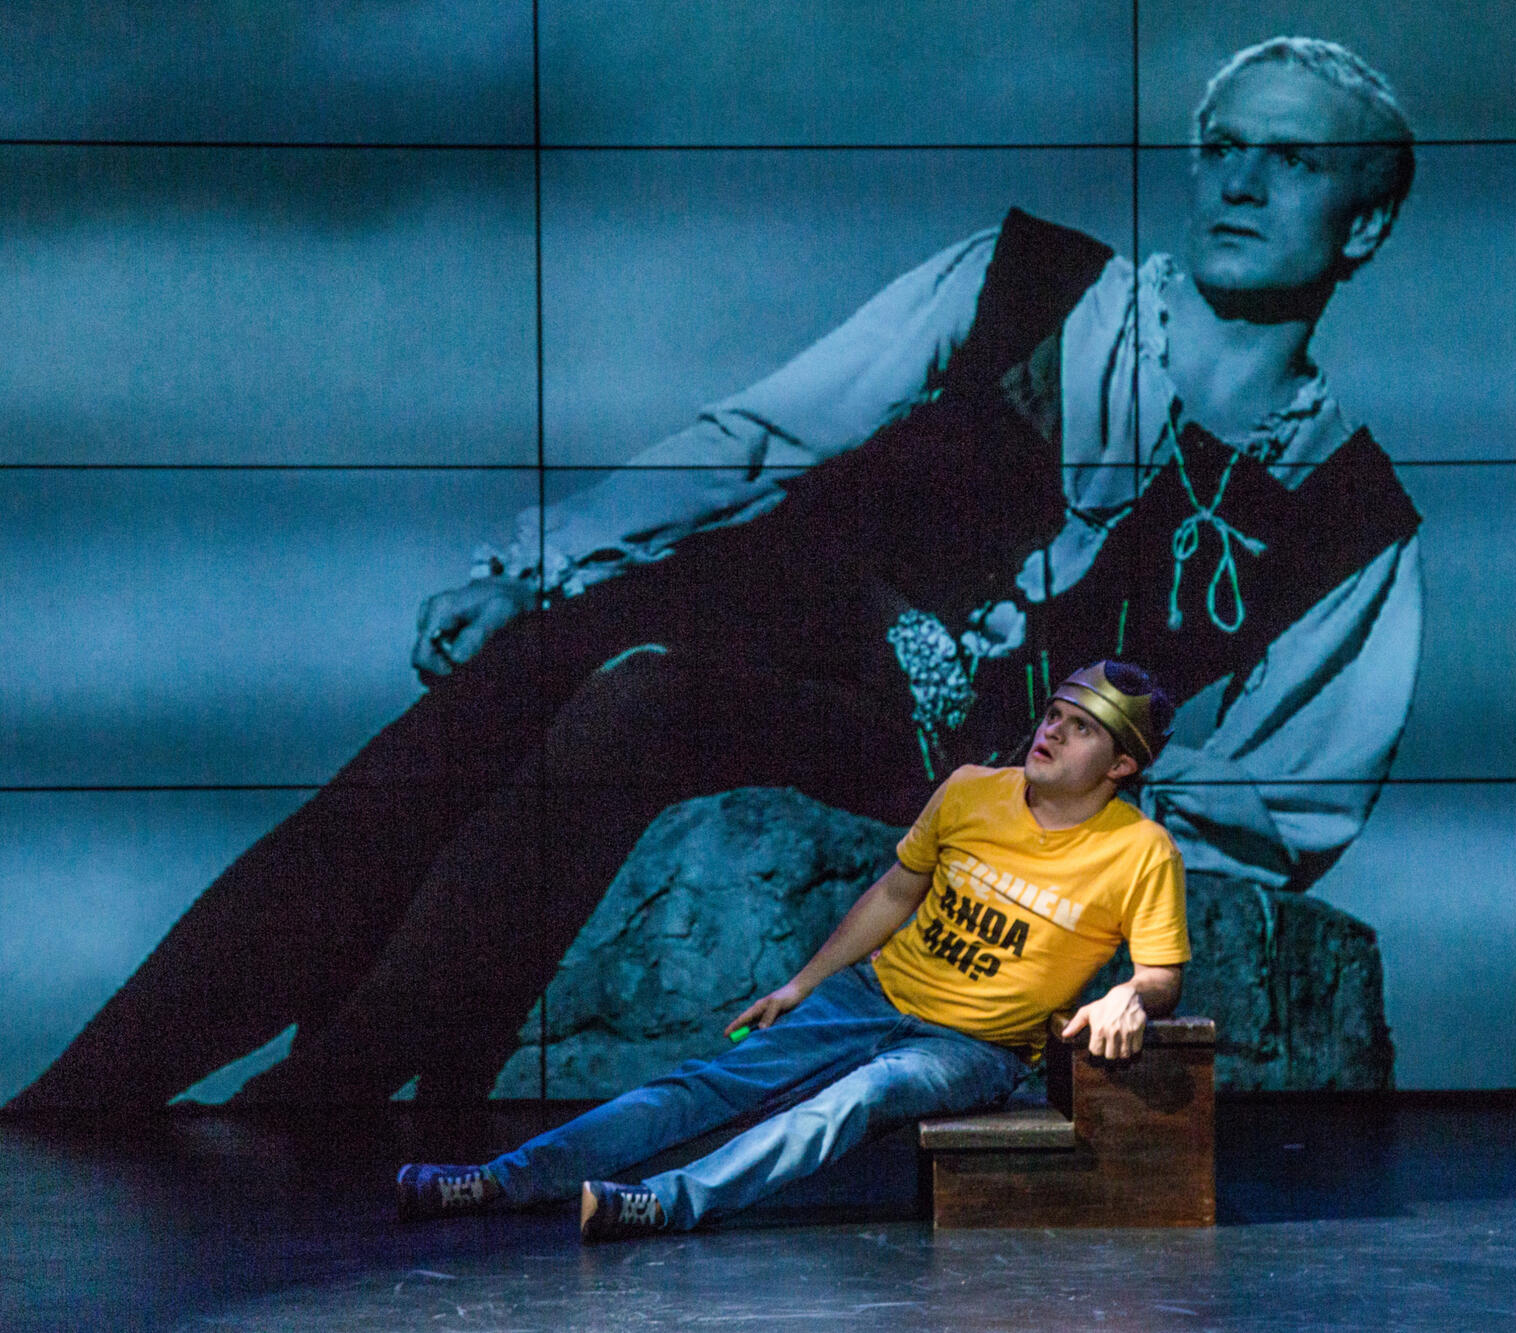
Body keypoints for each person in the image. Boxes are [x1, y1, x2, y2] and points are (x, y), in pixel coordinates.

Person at [10, 35, 1423, 1113]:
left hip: (935, 763)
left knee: (650, 702)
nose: (1241, 179)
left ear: (1362, 226)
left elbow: (1276, 818)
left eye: (1294, 162)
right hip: (783, 595)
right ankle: (96, 1092)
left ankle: (323, 1092)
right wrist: (546, 561)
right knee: (541, 665)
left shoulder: (1352, 519)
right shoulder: (1028, 280)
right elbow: (763, 435)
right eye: (1225, 144)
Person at [397, 662, 1187, 1240]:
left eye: (1080, 728)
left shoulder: (1138, 850)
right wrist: (803, 982)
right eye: (1053, 713)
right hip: (871, 996)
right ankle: (498, 1180)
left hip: (974, 1048)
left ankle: (671, 1200)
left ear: (1121, 764)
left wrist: (1131, 994)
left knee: (859, 1096)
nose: (1051, 731)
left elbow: (1160, 975)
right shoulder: (973, 788)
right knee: (706, 1081)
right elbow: (895, 892)